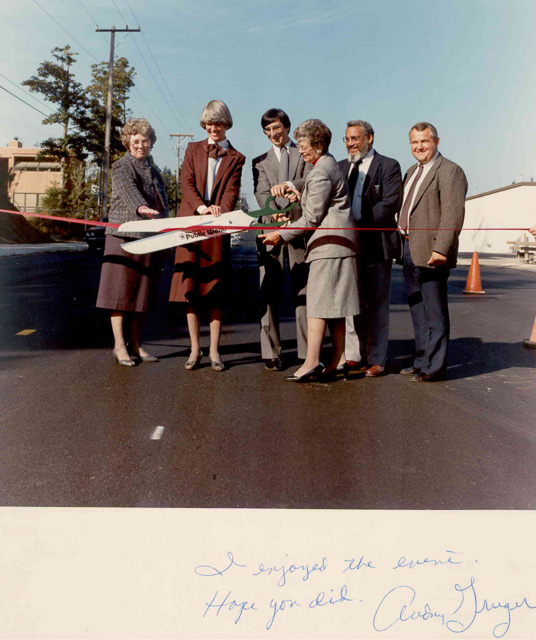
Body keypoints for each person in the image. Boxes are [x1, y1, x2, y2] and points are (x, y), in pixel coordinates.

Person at [261, 119, 359, 382]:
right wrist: (299, 196)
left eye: (304, 145)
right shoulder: (328, 164)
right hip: (338, 246)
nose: (301, 150)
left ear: (319, 145)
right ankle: (338, 360)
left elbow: (312, 218)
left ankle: (311, 362)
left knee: (316, 305)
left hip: (329, 247)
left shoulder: (320, 171)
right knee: (336, 307)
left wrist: (280, 234)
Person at [169, 100, 245, 371]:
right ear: (204, 124)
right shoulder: (192, 149)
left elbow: (232, 191)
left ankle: (214, 351)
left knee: (214, 290)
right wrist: (201, 208)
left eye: (219, 123)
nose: (214, 128)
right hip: (191, 221)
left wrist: (219, 212)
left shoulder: (237, 157)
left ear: (227, 124)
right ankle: (195, 349)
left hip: (217, 225)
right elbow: (186, 183)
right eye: (210, 123)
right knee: (190, 288)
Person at [399, 122, 468, 382]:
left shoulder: (450, 170)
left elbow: (453, 214)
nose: (419, 147)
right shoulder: (411, 172)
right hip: (408, 249)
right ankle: (421, 361)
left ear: (436, 142)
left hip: (432, 253)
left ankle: (435, 368)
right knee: (418, 310)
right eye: (414, 142)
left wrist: (441, 249)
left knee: (434, 312)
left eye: (424, 141)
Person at [96, 118, 168, 366]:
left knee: (140, 296)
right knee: (119, 295)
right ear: (128, 143)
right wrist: (141, 207)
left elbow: (163, 204)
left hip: (147, 239)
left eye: (145, 141)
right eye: (135, 141)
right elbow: (128, 191)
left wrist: (166, 234)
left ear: (151, 143)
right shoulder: (122, 166)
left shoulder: (154, 170)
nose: (140, 145)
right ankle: (119, 347)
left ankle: (136, 345)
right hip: (123, 237)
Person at [338, 120, 402, 377]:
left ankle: (376, 358)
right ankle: (356, 355)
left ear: (370, 138)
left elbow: (389, 204)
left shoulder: (388, 166)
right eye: (347, 139)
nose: (351, 144)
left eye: (355, 138)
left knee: (376, 305)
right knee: (352, 303)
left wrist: (356, 224)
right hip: (347, 245)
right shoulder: (341, 167)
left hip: (376, 245)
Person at [252, 108, 311, 371]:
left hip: (300, 229)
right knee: (269, 290)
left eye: (276, 128)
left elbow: (310, 180)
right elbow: (261, 192)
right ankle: (271, 351)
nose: (273, 134)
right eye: (267, 130)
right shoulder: (260, 161)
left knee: (304, 290)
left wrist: (292, 190)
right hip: (270, 230)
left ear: (286, 126)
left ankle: (307, 352)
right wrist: (276, 215)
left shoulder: (304, 153)